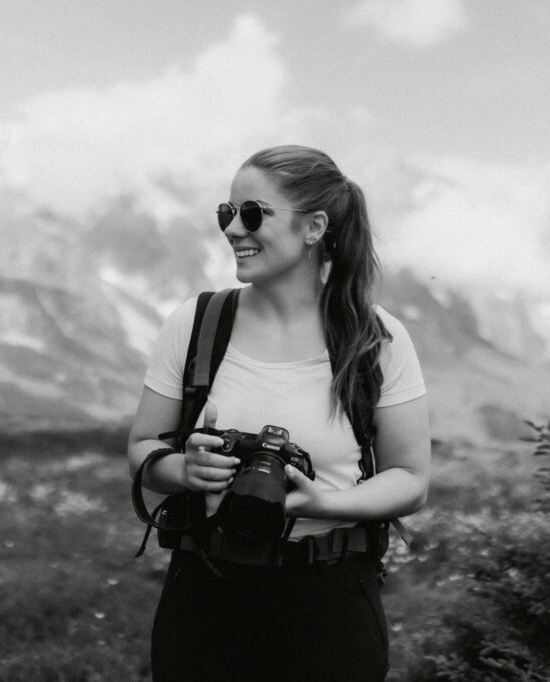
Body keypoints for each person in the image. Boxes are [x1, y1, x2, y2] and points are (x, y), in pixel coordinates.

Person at [128, 145, 430, 681]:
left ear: (314, 227)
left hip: (331, 602)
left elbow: (411, 478)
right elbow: (142, 448)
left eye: (252, 214)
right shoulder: (194, 323)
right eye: (227, 213)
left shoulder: (375, 338)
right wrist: (182, 469)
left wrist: (329, 503)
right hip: (204, 595)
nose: (232, 230)